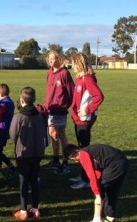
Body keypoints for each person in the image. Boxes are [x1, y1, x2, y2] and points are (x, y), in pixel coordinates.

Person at [64, 144, 129, 222]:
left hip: (115, 165)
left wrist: (97, 193)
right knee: (112, 189)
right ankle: (110, 217)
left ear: (75, 153)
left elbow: (91, 175)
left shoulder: (83, 155)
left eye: (73, 159)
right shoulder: (87, 150)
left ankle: (97, 219)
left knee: (101, 189)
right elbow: (97, 171)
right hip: (123, 162)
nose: (75, 161)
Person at [10, 87, 46, 220]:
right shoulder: (39, 116)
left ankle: (24, 210)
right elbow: (43, 134)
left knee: (23, 182)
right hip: (37, 153)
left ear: (21, 100)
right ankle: (35, 209)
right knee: (35, 181)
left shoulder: (18, 116)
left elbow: (13, 135)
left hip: (23, 154)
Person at [69, 53, 104, 189]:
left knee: (84, 151)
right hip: (78, 119)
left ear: (79, 64)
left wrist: (87, 110)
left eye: (74, 64)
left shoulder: (88, 79)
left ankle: (87, 179)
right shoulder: (80, 79)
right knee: (81, 149)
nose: (72, 67)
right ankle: (83, 175)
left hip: (84, 120)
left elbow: (99, 96)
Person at [42, 50, 74, 175]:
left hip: (59, 110)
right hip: (49, 109)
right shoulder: (49, 72)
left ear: (59, 59)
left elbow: (71, 92)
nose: (51, 60)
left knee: (60, 135)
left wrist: (64, 104)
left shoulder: (64, 73)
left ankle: (65, 162)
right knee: (52, 134)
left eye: (54, 58)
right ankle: (55, 160)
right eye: (49, 58)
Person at [0, 83, 15, 175]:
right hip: (7, 128)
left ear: (0, 94)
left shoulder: (2, 104)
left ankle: (10, 166)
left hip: (0, 130)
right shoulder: (10, 101)